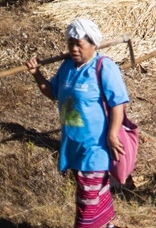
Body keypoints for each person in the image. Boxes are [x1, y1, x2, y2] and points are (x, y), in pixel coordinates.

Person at [26, 19, 129, 228]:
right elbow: (53, 93)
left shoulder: (104, 67)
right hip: (73, 144)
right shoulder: (67, 67)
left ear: (93, 44)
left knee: (86, 201)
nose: (73, 49)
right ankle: (107, 224)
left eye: (79, 44)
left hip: (96, 147)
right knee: (94, 192)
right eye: (70, 44)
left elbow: (118, 103)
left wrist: (112, 134)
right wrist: (37, 74)